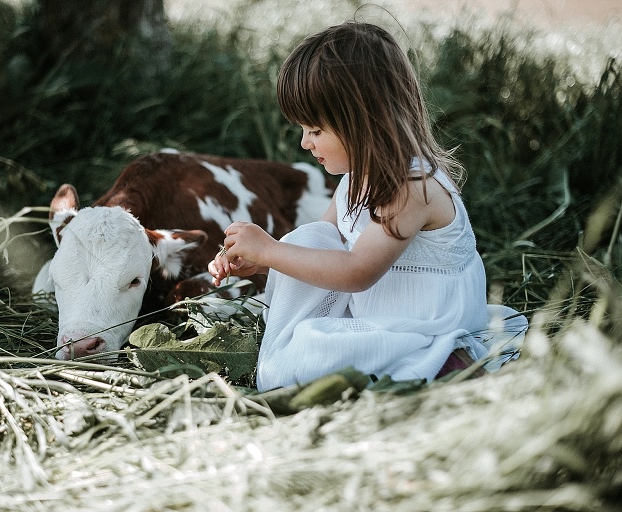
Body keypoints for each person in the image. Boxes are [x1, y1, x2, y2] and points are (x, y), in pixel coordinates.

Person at [208, 21, 527, 391]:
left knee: (306, 354)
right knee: (314, 236)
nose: (304, 144)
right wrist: (261, 261)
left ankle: (445, 360)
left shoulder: (411, 188)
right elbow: (324, 248)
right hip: (381, 318)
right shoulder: (356, 179)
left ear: (364, 122)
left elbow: (357, 271)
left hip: (425, 326)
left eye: (315, 130)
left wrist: (271, 250)